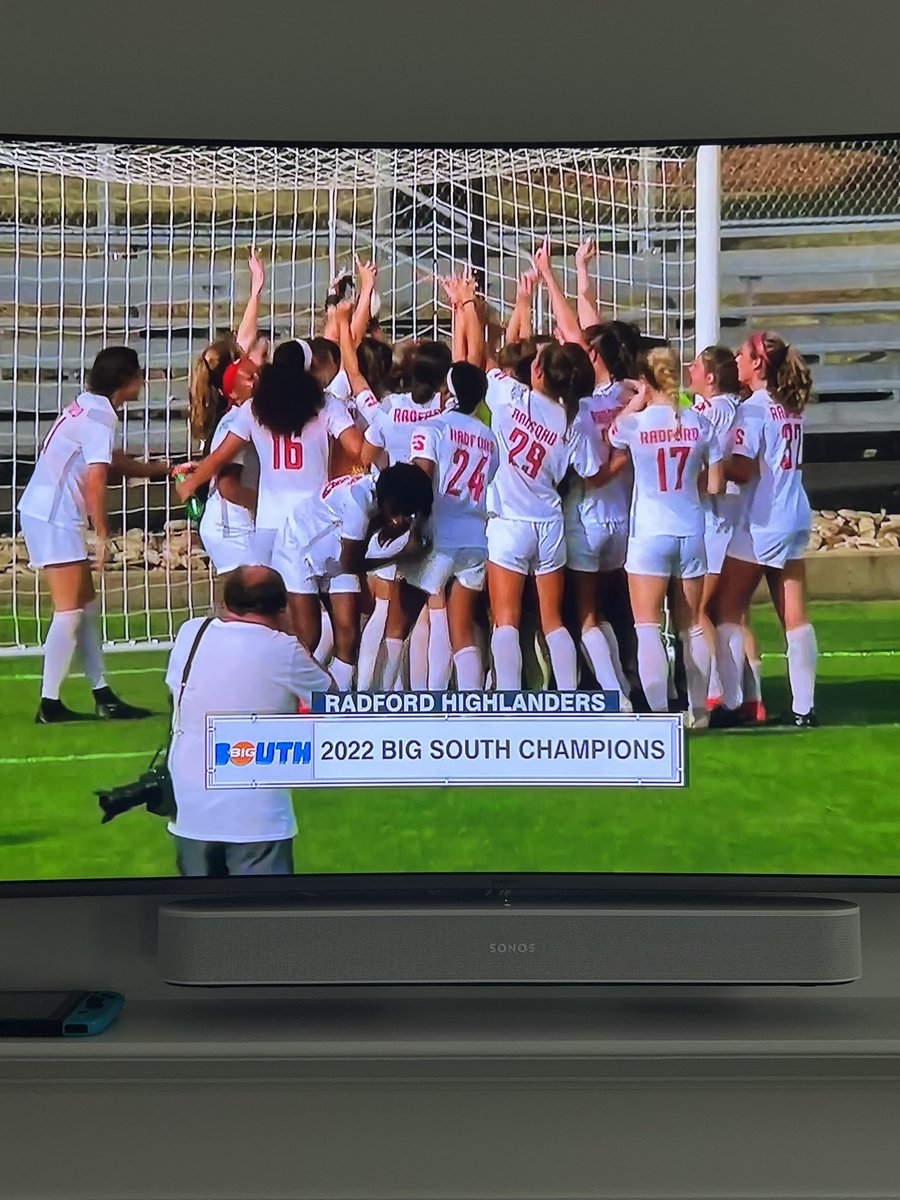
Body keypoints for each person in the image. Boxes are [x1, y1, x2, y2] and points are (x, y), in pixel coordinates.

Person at [17, 346, 177, 723]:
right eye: (139, 374)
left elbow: (107, 461)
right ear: (126, 381)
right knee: (70, 610)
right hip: (53, 514)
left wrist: (160, 470)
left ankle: (102, 693)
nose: (143, 380)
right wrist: (102, 535)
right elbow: (97, 479)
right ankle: (50, 703)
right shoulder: (100, 416)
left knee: (85, 608)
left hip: (48, 510)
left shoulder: (89, 406)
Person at [165, 566, 335, 878]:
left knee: (199, 914)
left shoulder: (192, 633)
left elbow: (174, 697)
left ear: (225, 602)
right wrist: (292, 633)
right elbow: (330, 701)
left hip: (190, 805)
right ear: (282, 608)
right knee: (261, 918)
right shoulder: (284, 650)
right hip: (256, 815)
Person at [606, 346, 723, 726]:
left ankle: (659, 716)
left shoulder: (637, 425)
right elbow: (716, 483)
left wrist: (638, 400)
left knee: (648, 626)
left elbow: (612, 432)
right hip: (690, 529)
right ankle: (700, 711)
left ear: (645, 379)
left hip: (650, 532)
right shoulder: (700, 423)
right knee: (691, 625)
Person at [710, 331, 818, 728]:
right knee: (794, 616)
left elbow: (742, 467)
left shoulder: (753, 409)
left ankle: (732, 700)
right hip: (793, 512)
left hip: (762, 520)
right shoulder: (791, 405)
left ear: (757, 363)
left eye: (741, 355)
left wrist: (709, 459)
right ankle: (804, 708)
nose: (735, 361)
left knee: (726, 608)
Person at [176, 340, 363, 568]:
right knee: (324, 593)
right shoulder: (327, 404)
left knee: (272, 598)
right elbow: (356, 449)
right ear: (309, 368)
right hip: (315, 519)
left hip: (270, 522)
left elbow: (219, 457)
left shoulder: (253, 408)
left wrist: (191, 483)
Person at [484, 341, 602, 692]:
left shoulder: (510, 395)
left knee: (506, 619)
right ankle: (568, 698)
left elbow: (482, 359)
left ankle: (508, 703)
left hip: (509, 521)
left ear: (537, 372)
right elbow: (592, 469)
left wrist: (466, 308)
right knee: (553, 621)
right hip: (550, 523)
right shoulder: (574, 422)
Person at [269, 463, 435, 688]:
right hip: (298, 548)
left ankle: (338, 700)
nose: (398, 520)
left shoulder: (387, 489)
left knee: (349, 636)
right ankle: (282, 689)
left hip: (334, 551)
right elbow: (351, 564)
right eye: (397, 512)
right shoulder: (359, 501)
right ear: (386, 500)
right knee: (309, 637)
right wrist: (401, 555)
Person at [408, 360, 500, 691]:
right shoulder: (489, 437)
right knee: (461, 630)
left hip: (439, 534)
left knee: (428, 619)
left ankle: (429, 699)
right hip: (475, 537)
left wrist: (416, 526)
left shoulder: (432, 428)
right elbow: (487, 480)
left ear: (447, 391)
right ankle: (470, 703)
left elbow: (422, 476)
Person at [687, 345, 763, 719]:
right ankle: (752, 696)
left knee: (701, 609)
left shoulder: (707, 411)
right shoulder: (742, 407)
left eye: (696, 365)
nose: (690, 369)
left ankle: (718, 694)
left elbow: (707, 466)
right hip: (740, 514)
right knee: (736, 611)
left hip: (714, 515)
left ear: (711, 377)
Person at [188, 249, 267, 450]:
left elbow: (244, 340)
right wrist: (256, 289)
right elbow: (245, 339)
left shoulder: (217, 409)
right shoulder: (234, 417)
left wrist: (256, 290)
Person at [197, 355, 260, 579]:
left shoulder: (248, 418)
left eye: (259, 374)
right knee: (254, 598)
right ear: (233, 394)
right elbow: (227, 486)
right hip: (230, 525)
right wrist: (266, 503)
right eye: (250, 377)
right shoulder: (236, 423)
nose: (258, 380)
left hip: (235, 521)